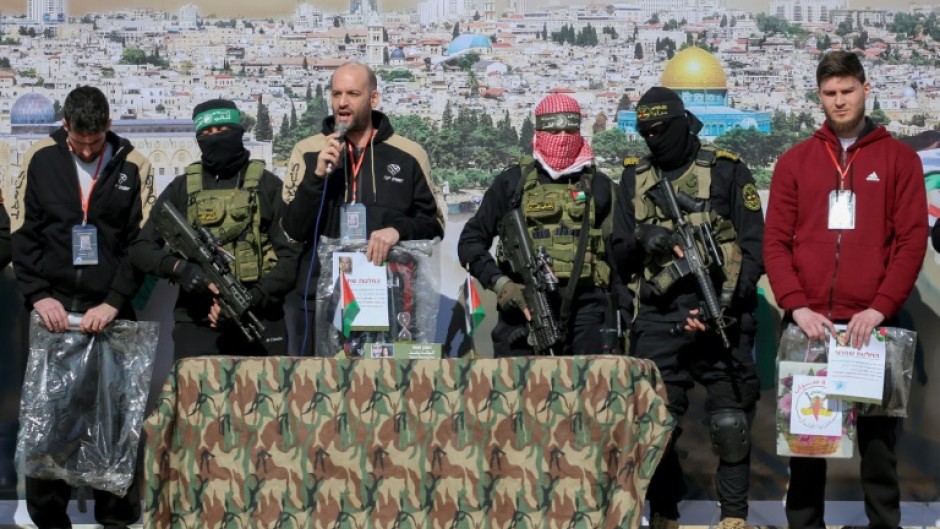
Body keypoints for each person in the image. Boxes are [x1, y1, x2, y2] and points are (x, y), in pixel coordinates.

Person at [764, 50, 927, 529]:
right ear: (820, 96)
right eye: (830, 93)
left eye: (847, 91)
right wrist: (796, 307)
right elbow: (775, 242)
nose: (839, 101)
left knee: (878, 451)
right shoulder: (795, 161)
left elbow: (912, 240)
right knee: (807, 446)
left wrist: (879, 308)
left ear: (865, 88)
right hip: (810, 327)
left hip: (870, 328)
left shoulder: (898, 159)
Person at [610, 86, 764, 529]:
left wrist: (729, 304)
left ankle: (733, 518)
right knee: (657, 427)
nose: (654, 138)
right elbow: (617, 253)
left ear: (683, 122)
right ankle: (663, 515)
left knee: (731, 424)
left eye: (662, 129)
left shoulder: (727, 171)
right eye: (645, 131)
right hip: (659, 317)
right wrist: (643, 240)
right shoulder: (634, 178)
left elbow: (754, 247)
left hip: (723, 313)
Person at [10, 85, 153, 529]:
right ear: (65, 127)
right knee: (49, 422)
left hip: (109, 317)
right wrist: (38, 295)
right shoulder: (41, 159)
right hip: (51, 315)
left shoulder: (134, 164)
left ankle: (115, 519)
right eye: (79, 141)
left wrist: (113, 302)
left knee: (114, 421)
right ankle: (50, 518)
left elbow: (141, 245)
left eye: (95, 141)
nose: (87, 149)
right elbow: (24, 231)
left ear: (108, 127)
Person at [282, 61, 444, 356]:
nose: (342, 103)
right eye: (336, 94)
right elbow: (293, 228)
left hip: (390, 301)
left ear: (373, 99)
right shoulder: (307, 152)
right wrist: (316, 177)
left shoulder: (408, 155)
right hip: (321, 301)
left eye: (353, 94)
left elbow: (433, 224)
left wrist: (398, 231)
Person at [130, 98, 300, 357]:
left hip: (259, 319)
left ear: (238, 131)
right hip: (198, 322)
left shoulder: (267, 186)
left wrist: (252, 298)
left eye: (221, 131)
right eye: (206, 133)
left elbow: (290, 259)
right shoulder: (181, 188)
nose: (214, 138)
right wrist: (181, 269)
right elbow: (141, 248)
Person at [457, 94, 619, 357]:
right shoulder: (512, 183)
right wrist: (503, 286)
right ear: (539, 132)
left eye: (570, 130)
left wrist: (615, 324)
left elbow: (619, 255)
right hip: (522, 311)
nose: (563, 138)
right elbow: (469, 243)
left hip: (585, 315)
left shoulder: (600, 187)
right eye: (554, 131)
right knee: (516, 394)